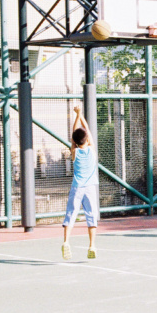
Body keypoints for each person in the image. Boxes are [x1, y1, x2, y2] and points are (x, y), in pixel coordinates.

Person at [61, 105, 99, 259]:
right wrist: (81, 114)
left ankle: (66, 242)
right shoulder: (91, 150)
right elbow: (87, 130)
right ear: (87, 140)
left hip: (77, 187)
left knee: (71, 214)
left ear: (75, 142)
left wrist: (76, 116)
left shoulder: (74, 152)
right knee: (91, 216)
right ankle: (92, 245)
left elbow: (74, 134)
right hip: (89, 188)